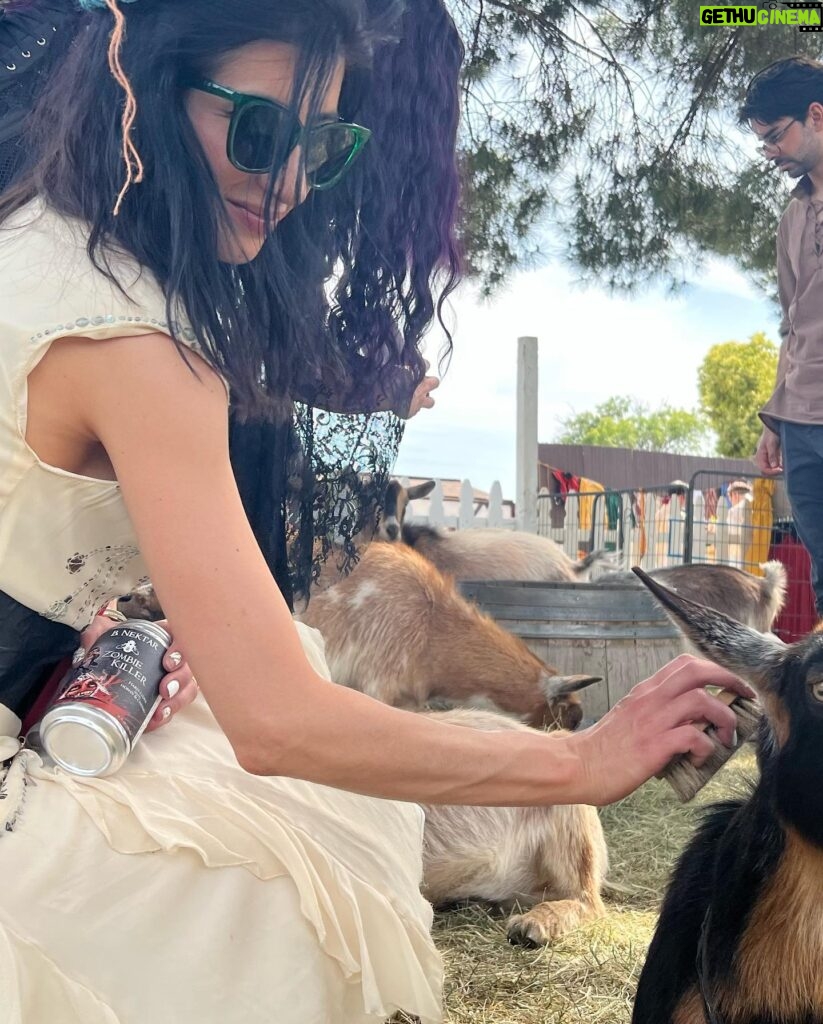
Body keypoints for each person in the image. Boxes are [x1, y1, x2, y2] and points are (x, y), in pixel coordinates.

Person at [0, 2, 754, 1022]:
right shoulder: (140, 344)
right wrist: (577, 758)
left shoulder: (33, 235)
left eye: (323, 145)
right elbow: (279, 723)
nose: (293, 182)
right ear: (136, 86)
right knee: (272, 884)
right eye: (259, 133)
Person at [743, 57, 823, 611]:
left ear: (816, 115)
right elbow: (791, 323)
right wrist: (775, 418)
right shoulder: (791, 219)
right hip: (800, 420)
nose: (769, 151)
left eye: (775, 136)